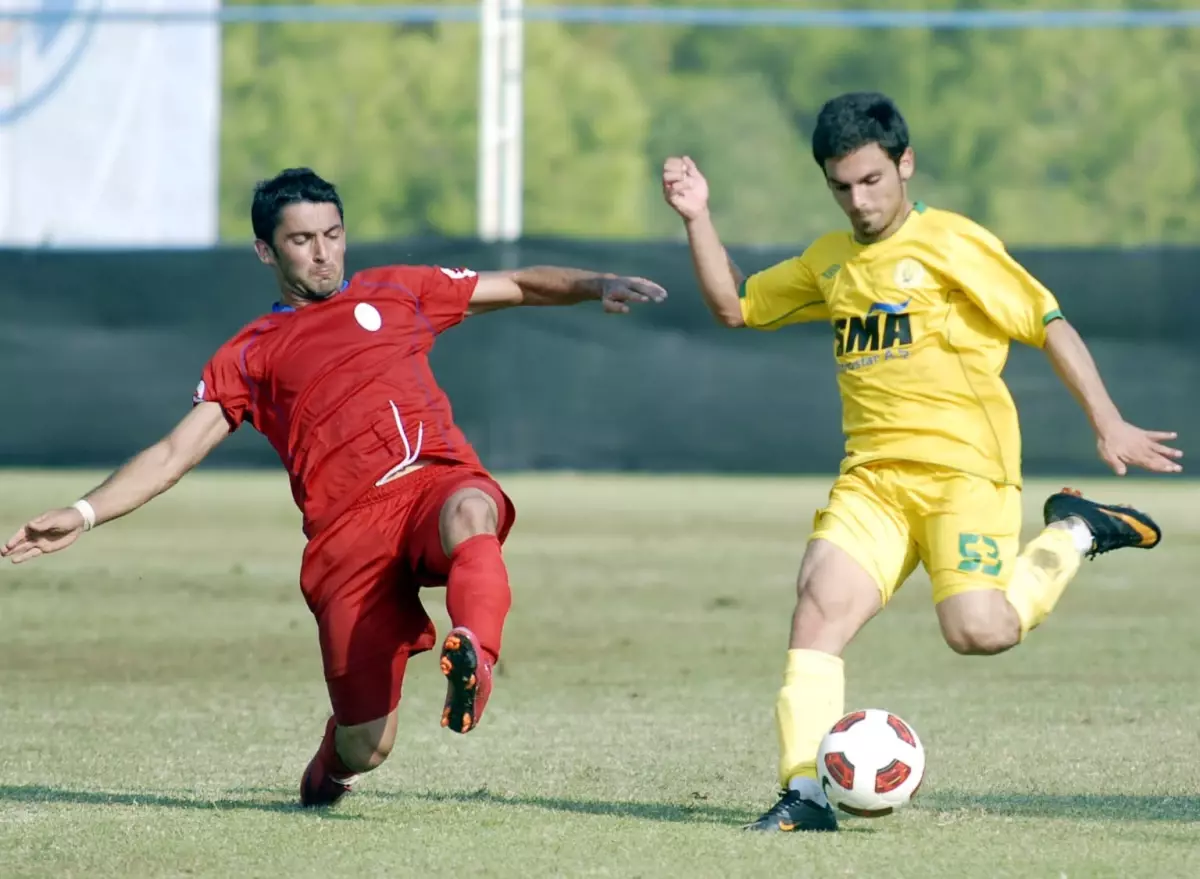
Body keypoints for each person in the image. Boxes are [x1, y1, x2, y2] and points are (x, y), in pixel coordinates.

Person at [2, 167, 667, 808]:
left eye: (332, 235)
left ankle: (476, 660)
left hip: (428, 483)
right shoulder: (250, 353)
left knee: (474, 509)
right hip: (347, 541)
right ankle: (327, 773)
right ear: (265, 250)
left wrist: (596, 281)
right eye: (301, 240)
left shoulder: (396, 291)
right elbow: (175, 451)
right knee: (368, 743)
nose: (323, 254)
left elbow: (519, 283)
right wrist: (84, 512)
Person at [661, 92, 1181, 833]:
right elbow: (734, 306)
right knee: (817, 609)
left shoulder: (955, 242)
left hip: (964, 475)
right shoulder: (829, 262)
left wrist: (1109, 421)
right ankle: (805, 794)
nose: (860, 200)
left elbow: (1049, 322)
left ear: (904, 164)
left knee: (980, 630)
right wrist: (697, 217)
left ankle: (1076, 533)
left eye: (872, 180)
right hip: (873, 480)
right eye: (842, 186)